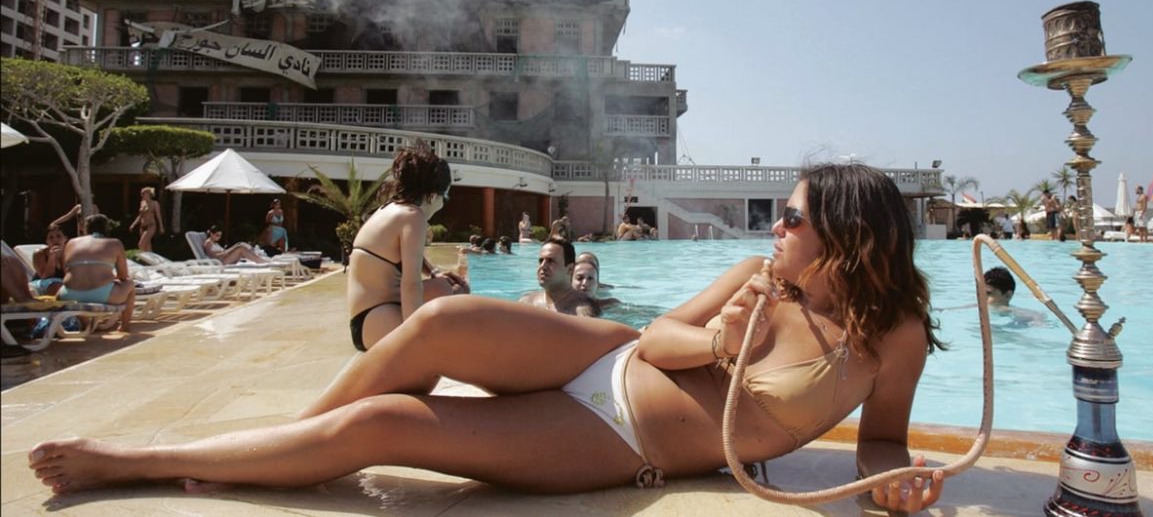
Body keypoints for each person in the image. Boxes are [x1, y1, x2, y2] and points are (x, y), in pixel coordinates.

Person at [26, 163, 946, 514]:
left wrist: (896, 481)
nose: (776, 228)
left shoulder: (890, 334)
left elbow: (880, 440)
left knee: (383, 427)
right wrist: (717, 346)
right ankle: (287, 447)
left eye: (792, 218)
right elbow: (663, 337)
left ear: (848, 232)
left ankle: (137, 462)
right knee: (442, 320)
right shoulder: (757, 279)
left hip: (623, 439)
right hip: (608, 358)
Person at [347, 141, 468, 353]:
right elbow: (411, 285)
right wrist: (415, 340)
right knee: (456, 296)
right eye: (446, 195)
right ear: (432, 195)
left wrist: (434, 272)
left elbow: (402, 256)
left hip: (368, 319)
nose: (443, 203)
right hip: (377, 319)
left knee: (447, 286)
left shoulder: (390, 208)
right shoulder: (413, 216)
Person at [58, 214, 136, 332]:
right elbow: (123, 275)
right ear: (107, 228)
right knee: (130, 284)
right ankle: (124, 326)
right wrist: (110, 278)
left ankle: (86, 324)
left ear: (85, 229)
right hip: (102, 294)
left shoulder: (71, 243)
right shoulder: (115, 243)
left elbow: (67, 271)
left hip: (70, 295)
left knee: (63, 289)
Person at [518, 237, 602, 317]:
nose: (542, 266)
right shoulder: (527, 302)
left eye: (550, 261)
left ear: (570, 269)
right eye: (541, 261)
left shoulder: (583, 309)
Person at [31, 225, 69, 296]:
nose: (55, 240)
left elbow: (68, 274)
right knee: (57, 286)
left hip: (62, 282)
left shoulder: (69, 252)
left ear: (65, 238)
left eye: (59, 236)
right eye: (51, 237)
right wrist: (52, 257)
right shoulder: (39, 254)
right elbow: (45, 277)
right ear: (46, 241)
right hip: (43, 282)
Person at [129, 187, 163, 252]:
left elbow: (158, 215)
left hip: (151, 225)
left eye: (144, 194)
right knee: (147, 246)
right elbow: (140, 216)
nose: (143, 195)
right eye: (142, 194)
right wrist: (133, 224)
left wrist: (161, 227)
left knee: (141, 244)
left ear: (149, 194)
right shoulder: (142, 203)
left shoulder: (155, 203)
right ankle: (150, 258)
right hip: (142, 226)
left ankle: (141, 257)